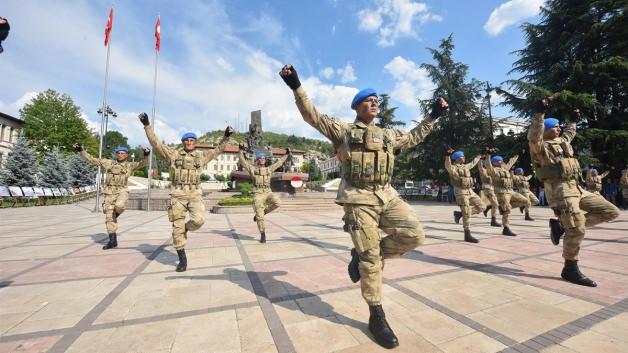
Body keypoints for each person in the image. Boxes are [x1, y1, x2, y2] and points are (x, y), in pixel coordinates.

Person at [280, 64, 448, 349]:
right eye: (368, 101)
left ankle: (361, 256)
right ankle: (376, 314)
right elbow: (313, 116)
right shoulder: (344, 131)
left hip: (387, 196)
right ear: (357, 107)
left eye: (377, 101)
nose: (374, 103)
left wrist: (433, 116)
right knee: (371, 259)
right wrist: (296, 85)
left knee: (415, 235)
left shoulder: (388, 135)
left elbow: (414, 136)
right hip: (358, 200)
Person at [528, 101, 619, 286]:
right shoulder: (540, 147)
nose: (559, 129)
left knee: (611, 212)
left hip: (577, 188)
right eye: (554, 127)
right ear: (545, 130)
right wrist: (539, 114)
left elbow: (570, 132)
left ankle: (562, 227)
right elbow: (534, 135)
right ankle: (570, 268)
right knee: (577, 228)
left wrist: (574, 120)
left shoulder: (563, 142)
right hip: (560, 191)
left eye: (559, 126)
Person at [139, 112, 234, 272]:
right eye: (186, 140)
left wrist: (226, 136)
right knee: (176, 229)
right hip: (178, 195)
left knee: (199, 221)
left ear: (195, 143)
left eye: (192, 140)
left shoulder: (201, 157)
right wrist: (147, 125)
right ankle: (182, 258)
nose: (189, 142)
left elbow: (218, 150)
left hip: (195, 194)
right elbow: (156, 144)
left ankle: (186, 229)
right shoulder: (174, 154)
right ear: (183, 142)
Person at [73, 144, 150, 249]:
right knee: (109, 218)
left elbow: (143, 163)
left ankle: (114, 214)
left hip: (122, 190)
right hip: (109, 192)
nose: (120, 155)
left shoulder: (130, 165)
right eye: (118, 153)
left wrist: (146, 155)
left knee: (119, 205)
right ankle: (112, 241)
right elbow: (92, 159)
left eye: (122, 153)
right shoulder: (109, 163)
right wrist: (81, 150)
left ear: (126, 155)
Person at [238, 145, 290, 243]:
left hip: (268, 191)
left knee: (277, 202)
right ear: (258, 160)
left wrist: (286, 154)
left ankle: (265, 211)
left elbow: (279, 163)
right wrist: (240, 151)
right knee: (259, 216)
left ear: (265, 160)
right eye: (260, 158)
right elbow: (243, 161)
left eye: (263, 158)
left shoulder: (269, 169)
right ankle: (263, 233)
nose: (262, 159)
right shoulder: (252, 169)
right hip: (258, 193)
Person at [485, 153, 530, 236]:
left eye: (502, 160)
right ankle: (506, 228)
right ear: (495, 162)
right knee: (507, 210)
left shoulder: (505, 169)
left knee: (526, 201)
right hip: (501, 192)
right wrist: (488, 155)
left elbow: (510, 162)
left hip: (510, 191)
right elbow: (488, 164)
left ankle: (503, 208)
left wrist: (516, 156)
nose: (502, 162)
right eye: (500, 161)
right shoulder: (493, 170)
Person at [445, 148, 483, 243]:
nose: (464, 157)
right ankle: (467, 234)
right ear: (457, 158)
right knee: (466, 213)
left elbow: (474, 162)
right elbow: (447, 165)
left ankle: (459, 214)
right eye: (462, 156)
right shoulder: (453, 168)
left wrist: (479, 155)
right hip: (460, 191)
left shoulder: (466, 166)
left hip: (470, 191)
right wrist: (447, 155)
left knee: (482, 206)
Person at [478, 154, 501, 227]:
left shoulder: (493, 171)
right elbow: (480, 167)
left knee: (495, 203)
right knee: (495, 204)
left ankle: (459, 214)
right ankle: (493, 220)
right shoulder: (484, 171)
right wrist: (481, 159)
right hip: (487, 188)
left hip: (493, 188)